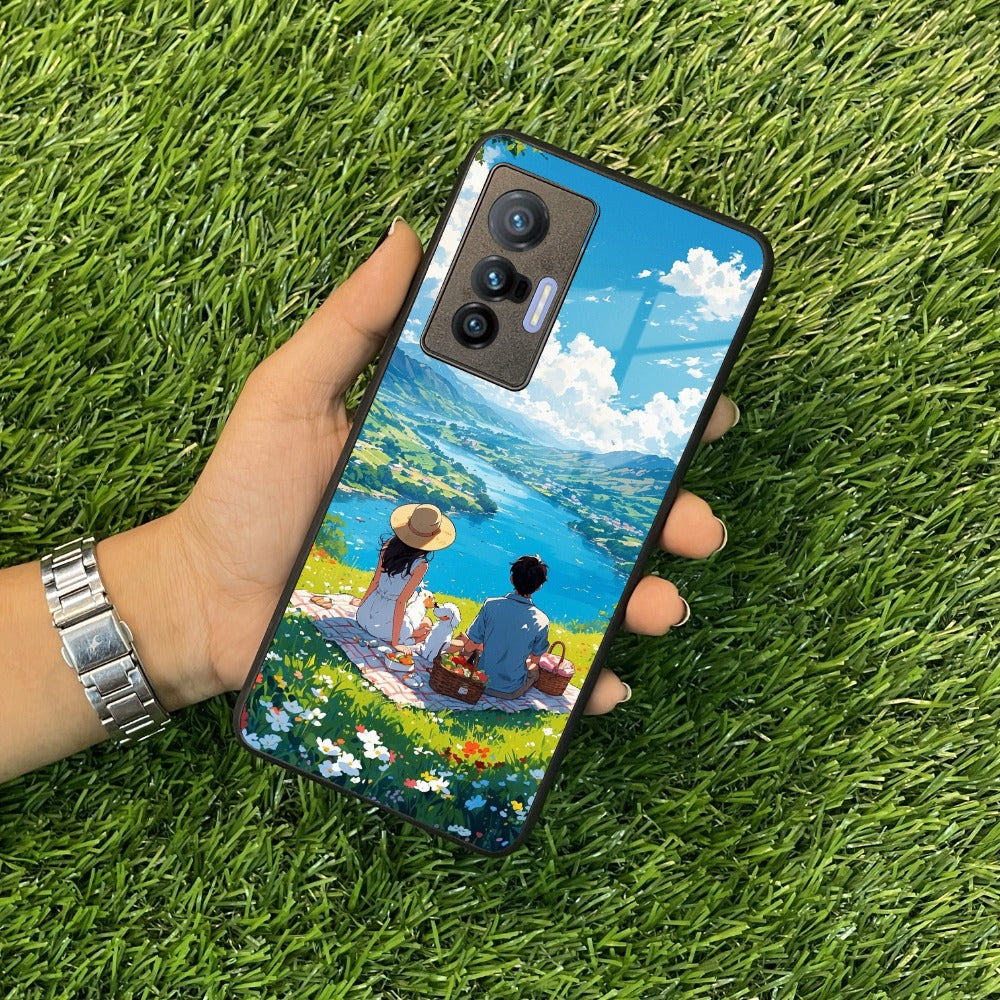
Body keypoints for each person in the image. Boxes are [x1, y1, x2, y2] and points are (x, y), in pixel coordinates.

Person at [0, 218, 735, 784]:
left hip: (364, 619)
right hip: (401, 635)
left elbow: (401, 591)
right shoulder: (521, 614)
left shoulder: (392, 552)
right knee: (435, 621)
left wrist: (191, 593)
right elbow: (421, 604)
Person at [351, 503, 455, 649]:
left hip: (363, 616)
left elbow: (375, 581)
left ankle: (409, 634)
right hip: (384, 625)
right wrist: (395, 643)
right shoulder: (421, 565)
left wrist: (361, 604)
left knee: (421, 623)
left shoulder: (388, 545)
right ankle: (407, 637)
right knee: (427, 624)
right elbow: (400, 602)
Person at [461, 556, 552, 699]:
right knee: (534, 670)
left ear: (512, 579)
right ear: (539, 586)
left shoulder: (491, 605)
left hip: (478, 681)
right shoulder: (542, 620)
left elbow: (472, 644)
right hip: (510, 690)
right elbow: (535, 659)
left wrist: (462, 657)